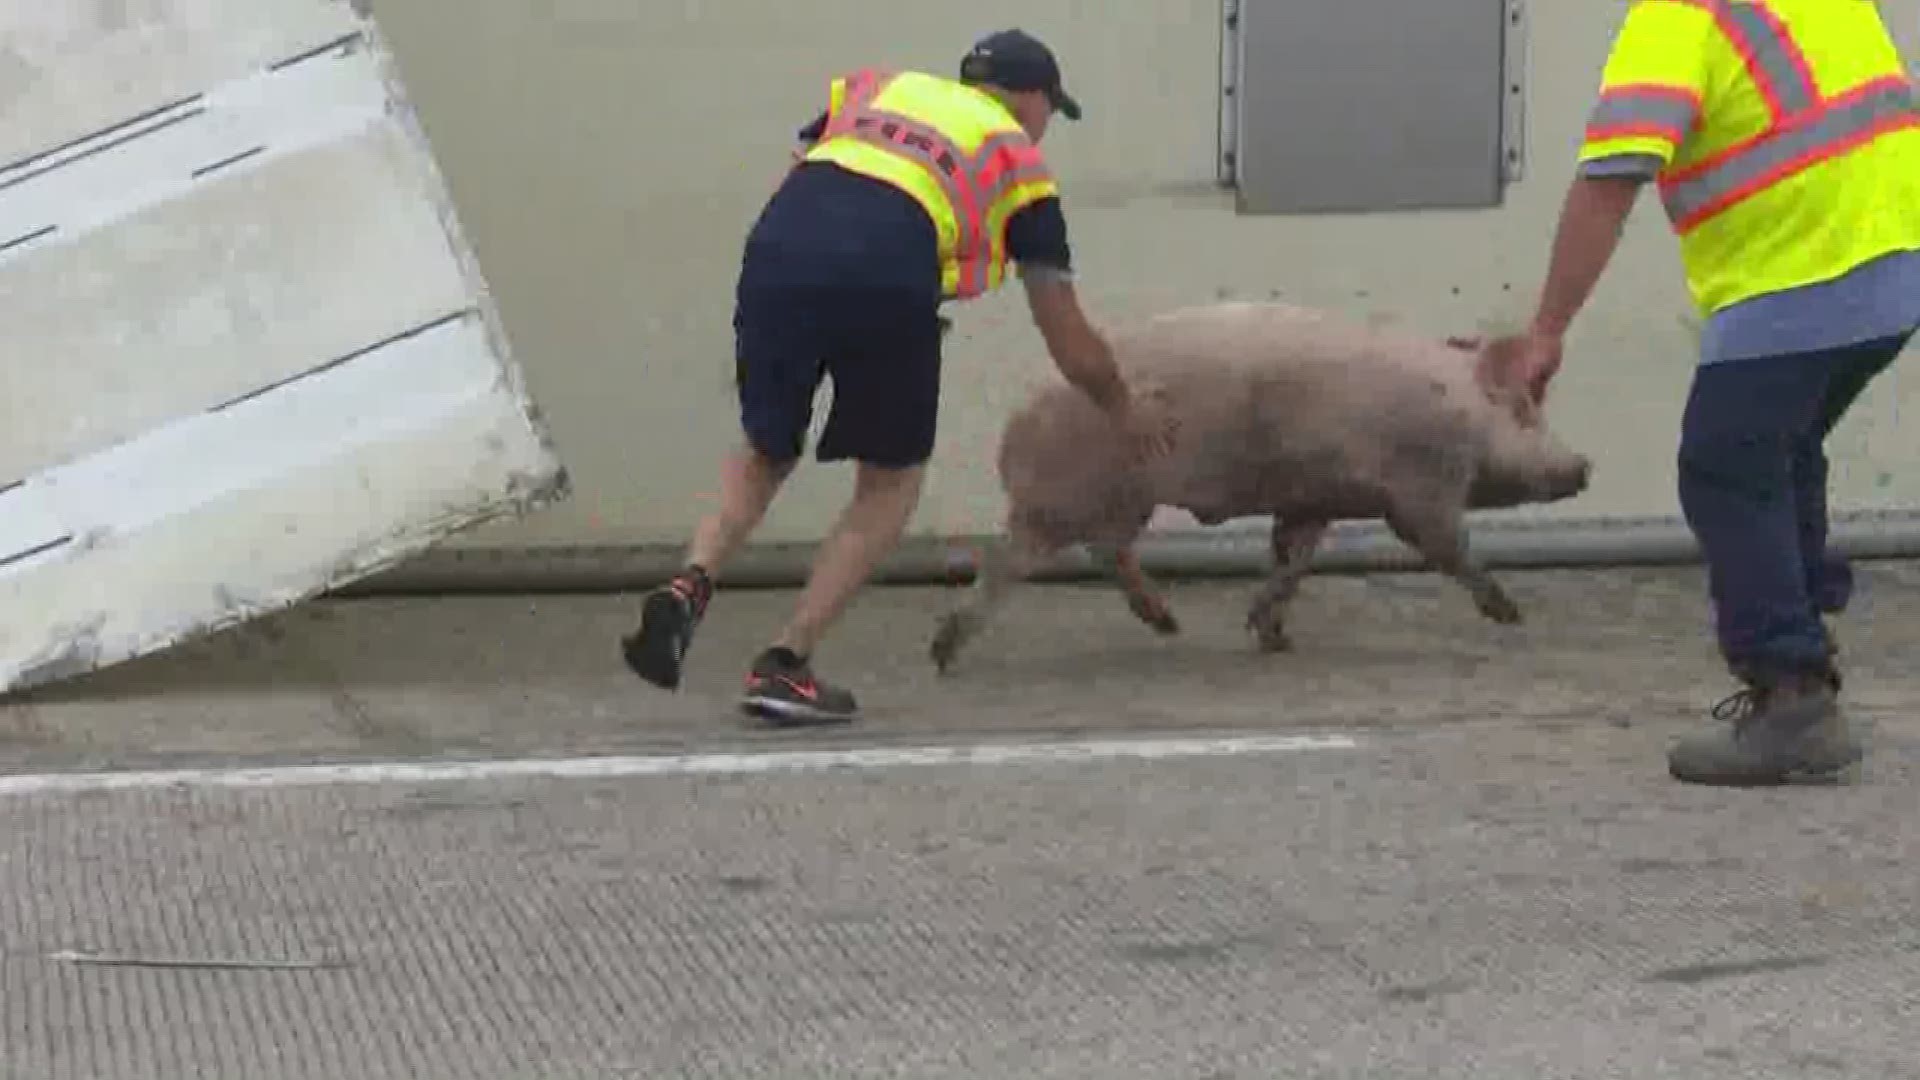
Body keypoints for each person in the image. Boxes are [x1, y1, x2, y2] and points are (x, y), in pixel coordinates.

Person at [620, 29, 1177, 726]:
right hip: (885, 274)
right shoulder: (1019, 163)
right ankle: (785, 665)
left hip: (776, 252)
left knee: (766, 449)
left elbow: (810, 180)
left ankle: (686, 585)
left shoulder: (880, 91)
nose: (1045, 127)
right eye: (1049, 110)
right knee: (890, 481)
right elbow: (1069, 339)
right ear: (1030, 99)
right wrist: (1123, 409)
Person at [1479, 0, 1920, 785]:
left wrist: (1547, 329)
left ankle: (1792, 693)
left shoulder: (1675, 18)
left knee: (1722, 463)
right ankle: (1805, 622)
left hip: (1802, 272)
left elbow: (1612, 178)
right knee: (1779, 445)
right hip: (1895, 268)